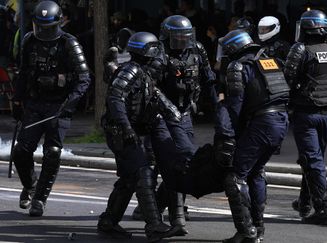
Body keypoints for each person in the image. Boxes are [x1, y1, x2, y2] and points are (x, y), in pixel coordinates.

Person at [131, 15, 216, 235]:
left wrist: (219, 110)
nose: (181, 40)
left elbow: (209, 80)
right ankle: (161, 214)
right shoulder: (158, 53)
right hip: (160, 116)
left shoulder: (197, 50)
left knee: (185, 161)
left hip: (185, 113)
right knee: (159, 163)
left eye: (184, 36)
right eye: (177, 36)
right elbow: (148, 86)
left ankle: (167, 211)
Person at [97, 32, 183, 241]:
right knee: (142, 172)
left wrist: (176, 117)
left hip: (130, 130)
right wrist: (127, 128)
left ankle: (109, 221)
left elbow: (157, 99)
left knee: (129, 178)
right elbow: (115, 99)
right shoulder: (131, 70)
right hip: (120, 132)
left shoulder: (144, 74)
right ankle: (154, 225)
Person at [11, 0, 90, 217]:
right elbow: (24, 73)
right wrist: (17, 102)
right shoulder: (29, 41)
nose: (43, 31)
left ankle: (39, 199)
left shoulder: (69, 43)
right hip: (35, 103)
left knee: (52, 152)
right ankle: (30, 185)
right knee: (21, 150)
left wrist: (68, 105)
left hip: (59, 105)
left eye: (48, 27)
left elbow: (84, 79)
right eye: (40, 26)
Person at [216, 29, 290, 242]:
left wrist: (229, 135)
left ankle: (246, 231)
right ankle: (258, 228)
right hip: (280, 121)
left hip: (262, 124)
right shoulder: (269, 61)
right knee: (256, 172)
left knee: (236, 177)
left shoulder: (237, 67)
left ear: (232, 48)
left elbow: (234, 108)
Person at [284, 9, 327, 225]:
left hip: (306, 113)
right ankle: (305, 202)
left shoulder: (300, 50)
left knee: (312, 161)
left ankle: (323, 209)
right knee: (313, 160)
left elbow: (287, 80)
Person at [257, 15, 291, 155]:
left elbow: (290, 67)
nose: (264, 32)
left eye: (266, 29)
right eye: (262, 29)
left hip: (279, 85)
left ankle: (276, 144)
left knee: (279, 116)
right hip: (263, 85)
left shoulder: (283, 46)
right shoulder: (258, 46)